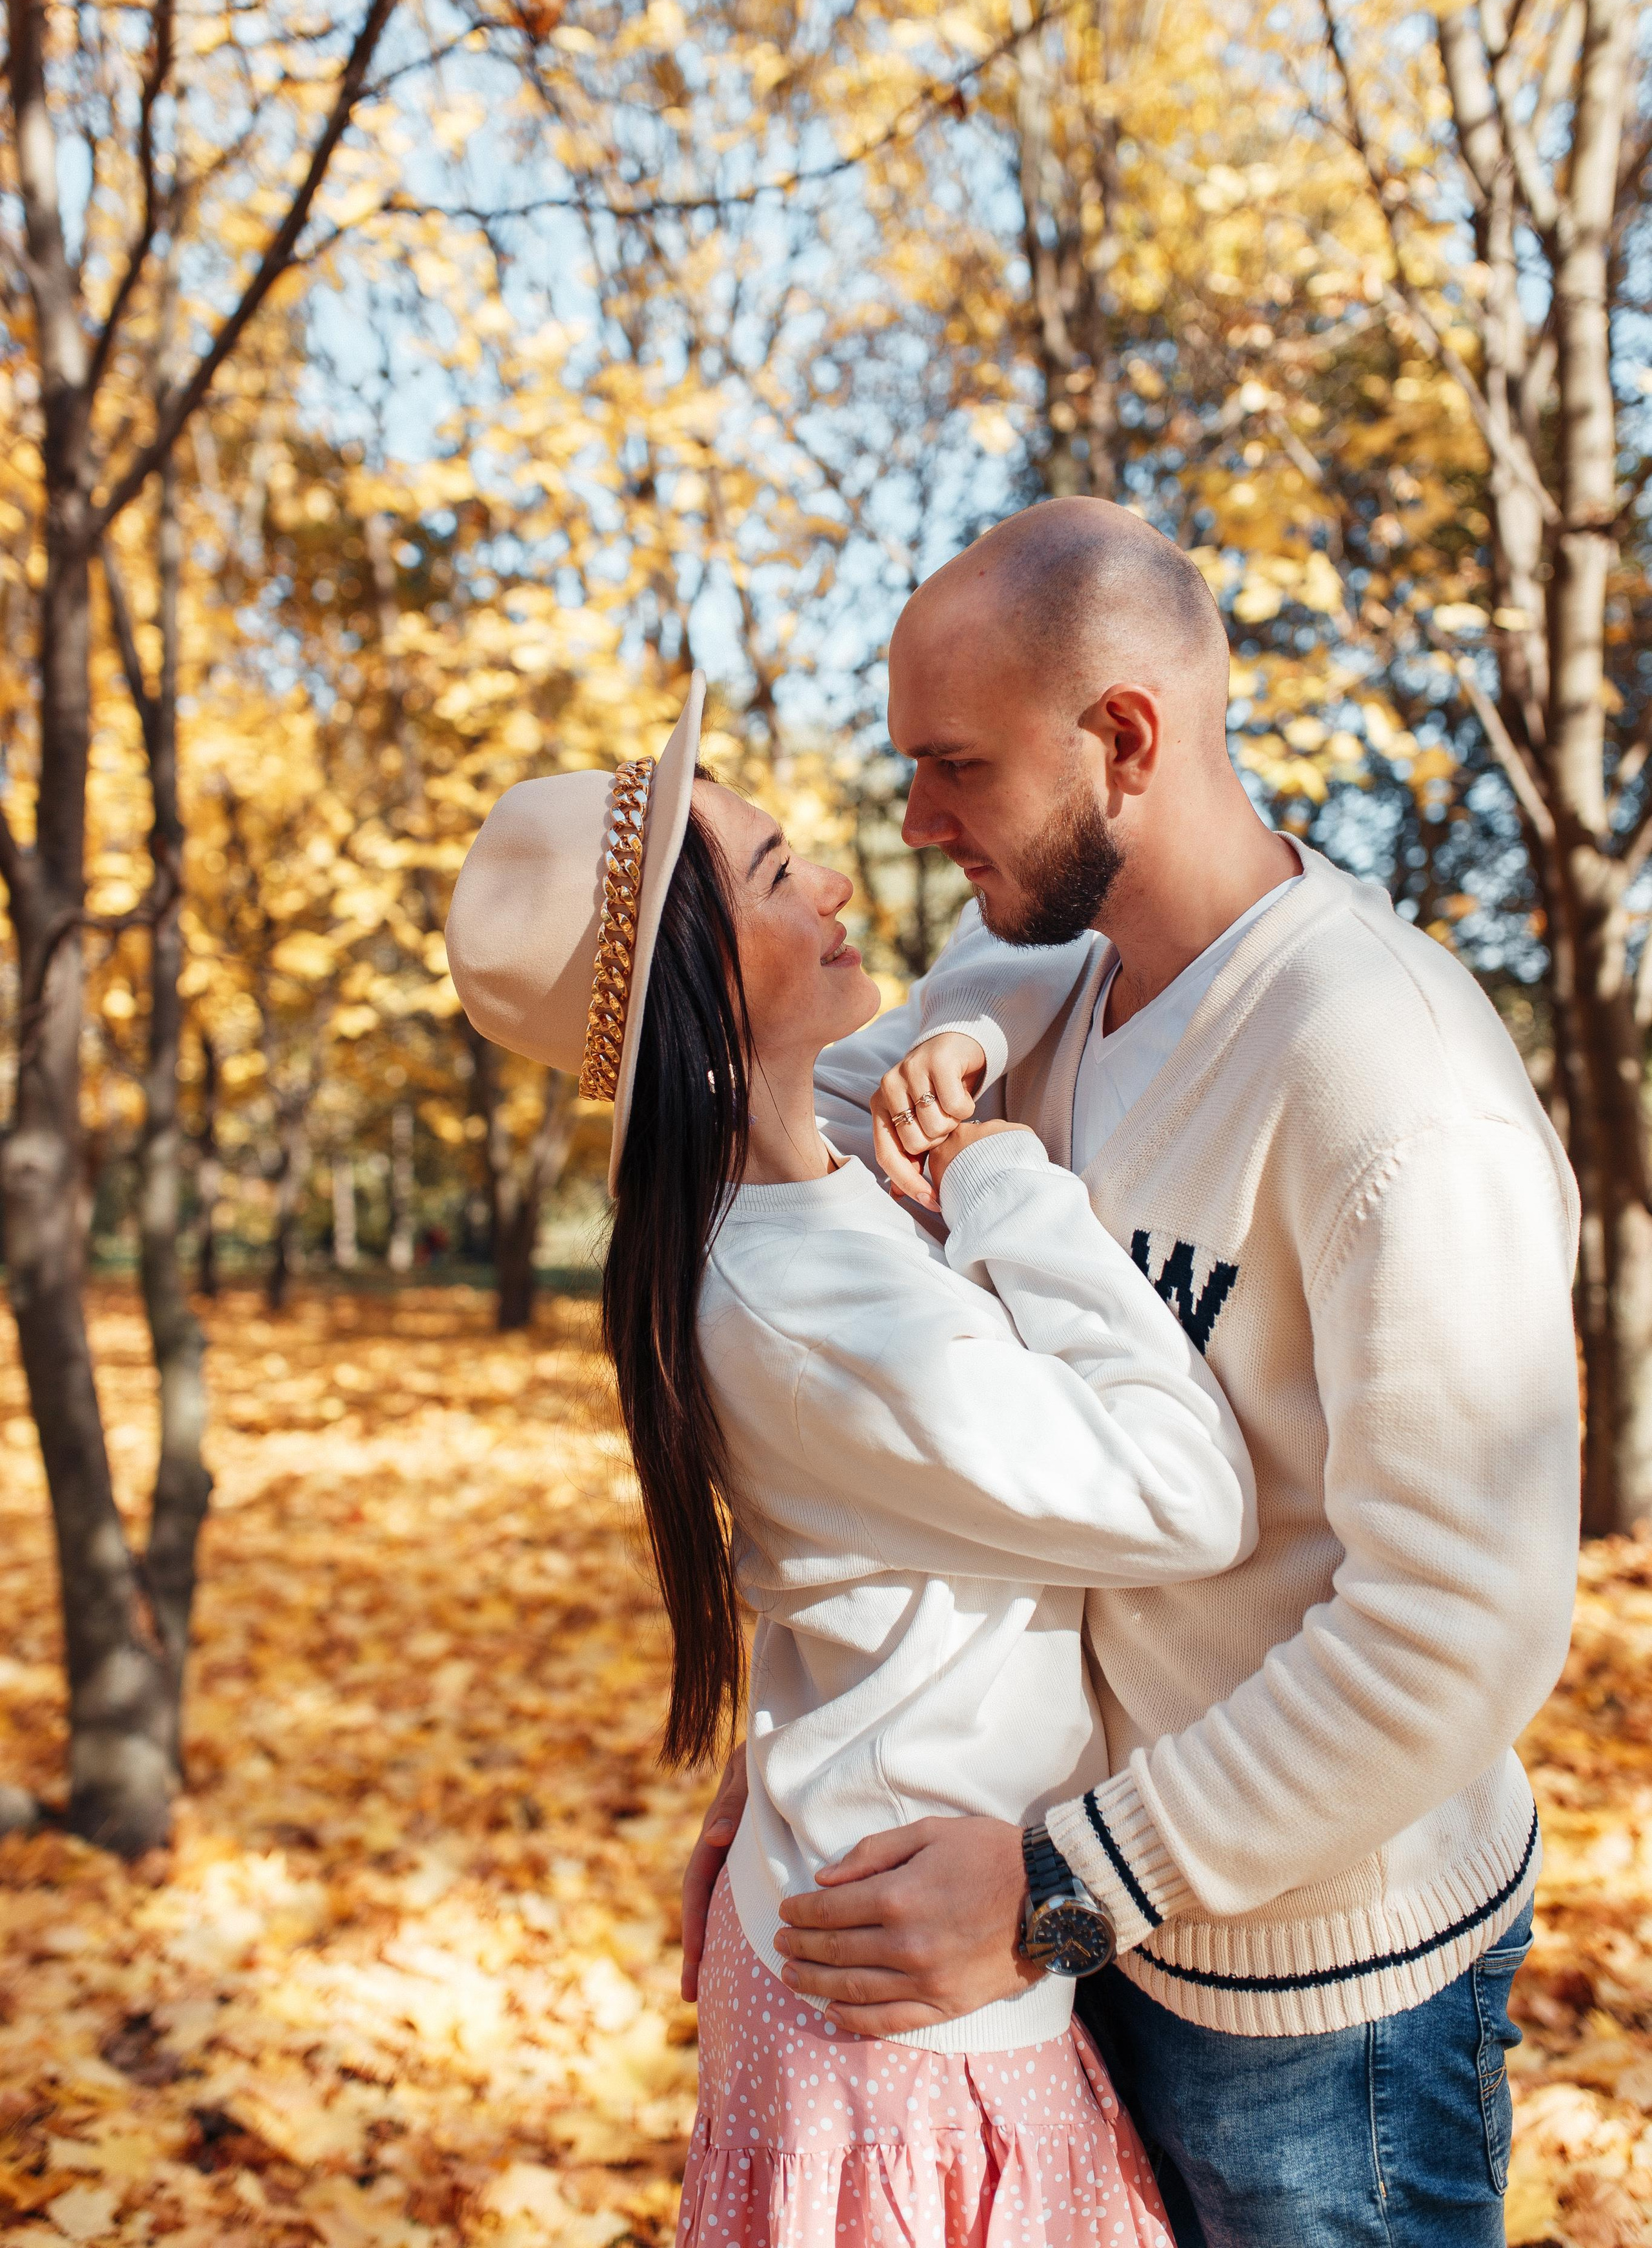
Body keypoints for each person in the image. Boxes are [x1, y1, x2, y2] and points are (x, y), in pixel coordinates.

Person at [681, 499, 1582, 2246]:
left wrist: (1060, 1885)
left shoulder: (1391, 1081)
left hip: (1318, 2015)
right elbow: (795, 1125)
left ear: (1123, 741)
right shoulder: (1029, 983)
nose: (916, 826)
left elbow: (1460, 1625)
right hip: (1079, 1951)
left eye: (954, 770)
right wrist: (801, 1770)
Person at [444, 670, 1261, 2248]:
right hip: (912, 2030)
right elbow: (1189, 1493)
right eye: (768, 875)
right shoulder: (810, 1305)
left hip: (854, 1928)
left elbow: (1007, 962)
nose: (827, 878)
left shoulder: (787, 1180)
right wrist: (1001, 1183)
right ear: (697, 988)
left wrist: (939, 1055)